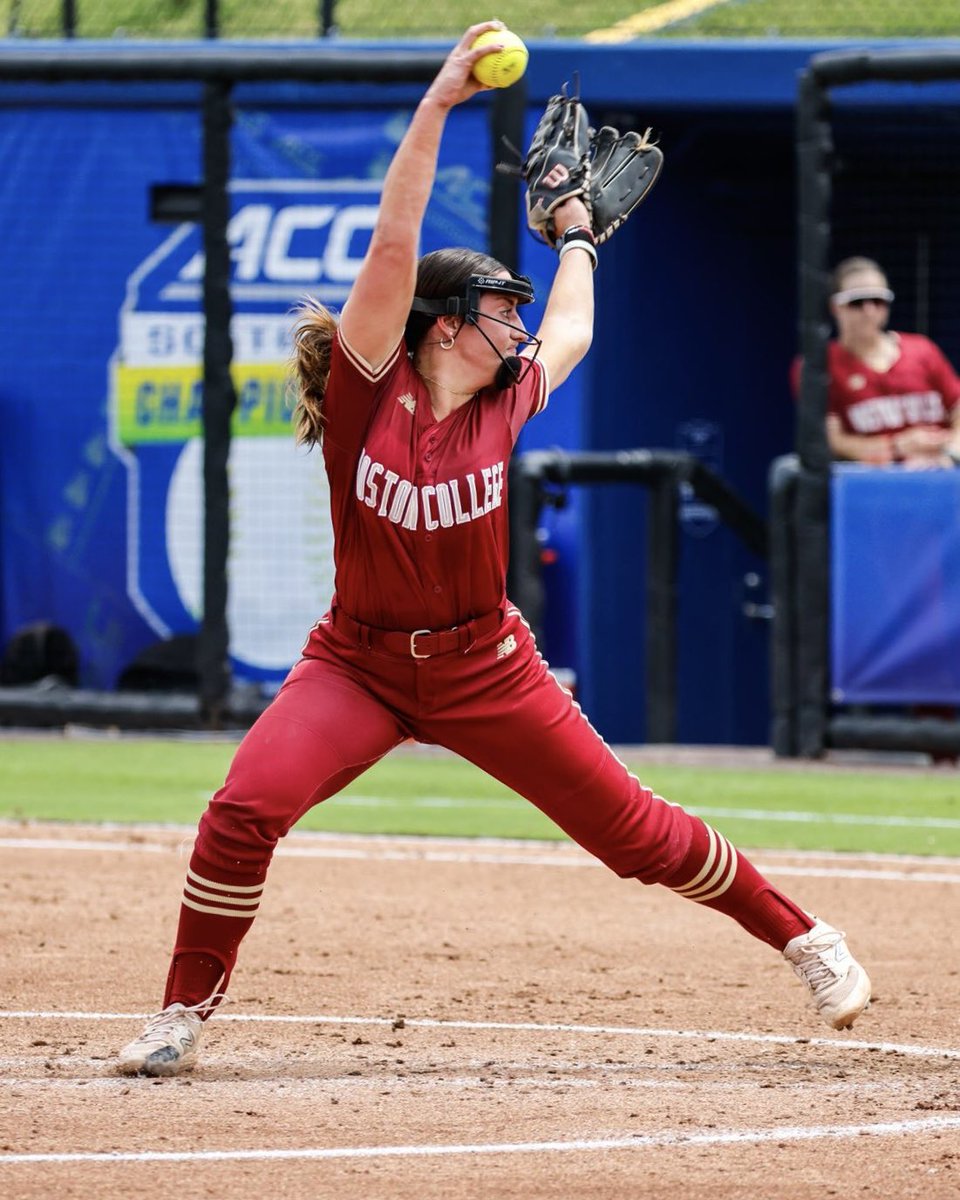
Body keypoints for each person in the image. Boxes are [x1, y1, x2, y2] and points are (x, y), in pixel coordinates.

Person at [118, 22, 871, 1077]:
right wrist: (437, 105)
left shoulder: (505, 401)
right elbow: (393, 248)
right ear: (438, 327)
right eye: (495, 314)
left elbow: (573, 330)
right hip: (360, 664)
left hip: (486, 664)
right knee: (242, 811)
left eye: (515, 315)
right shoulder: (364, 394)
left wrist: (577, 236)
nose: (517, 330)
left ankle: (807, 938)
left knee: (636, 838)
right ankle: (178, 1017)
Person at [792, 255, 960, 467]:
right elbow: (832, 440)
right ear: (835, 307)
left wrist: (951, 452)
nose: (869, 310)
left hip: (942, 473)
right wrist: (897, 446)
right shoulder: (818, 366)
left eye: (878, 300)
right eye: (857, 302)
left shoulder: (922, 349)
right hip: (872, 484)